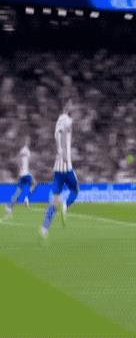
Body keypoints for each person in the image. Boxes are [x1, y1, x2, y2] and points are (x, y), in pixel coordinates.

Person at [40, 100, 79, 237]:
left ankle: (44, 228)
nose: (73, 107)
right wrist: (61, 150)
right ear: (67, 106)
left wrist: (58, 149)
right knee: (75, 190)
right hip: (66, 166)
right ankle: (65, 205)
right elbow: (59, 134)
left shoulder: (59, 119)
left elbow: (56, 133)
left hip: (57, 168)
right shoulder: (66, 120)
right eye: (71, 105)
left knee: (54, 200)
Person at [5, 136, 36, 214]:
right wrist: (21, 168)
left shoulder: (25, 150)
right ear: (25, 141)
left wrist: (20, 169)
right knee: (34, 184)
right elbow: (18, 159)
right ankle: (26, 199)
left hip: (23, 173)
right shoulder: (25, 150)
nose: (29, 142)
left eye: (29, 140)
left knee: (18, 190)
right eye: (27, 140)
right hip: (25, 173)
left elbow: (21, 161)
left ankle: (9, 207)